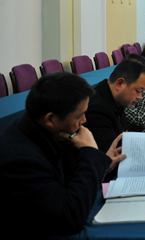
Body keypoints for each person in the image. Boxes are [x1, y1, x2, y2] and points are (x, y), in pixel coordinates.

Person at [0, 73, 125, 237]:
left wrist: (103, 164)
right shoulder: (20, 160)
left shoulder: (51, 131)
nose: (84, 120)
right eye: (79, 115)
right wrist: (91, 153)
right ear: (51, 119)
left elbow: (73, 178)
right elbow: (70, 216)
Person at [85, 59, 145, 152]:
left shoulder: (116, 98)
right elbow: (112, 152)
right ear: (120, 83)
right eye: (138, 91)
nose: (140, 97)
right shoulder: (97, 110)